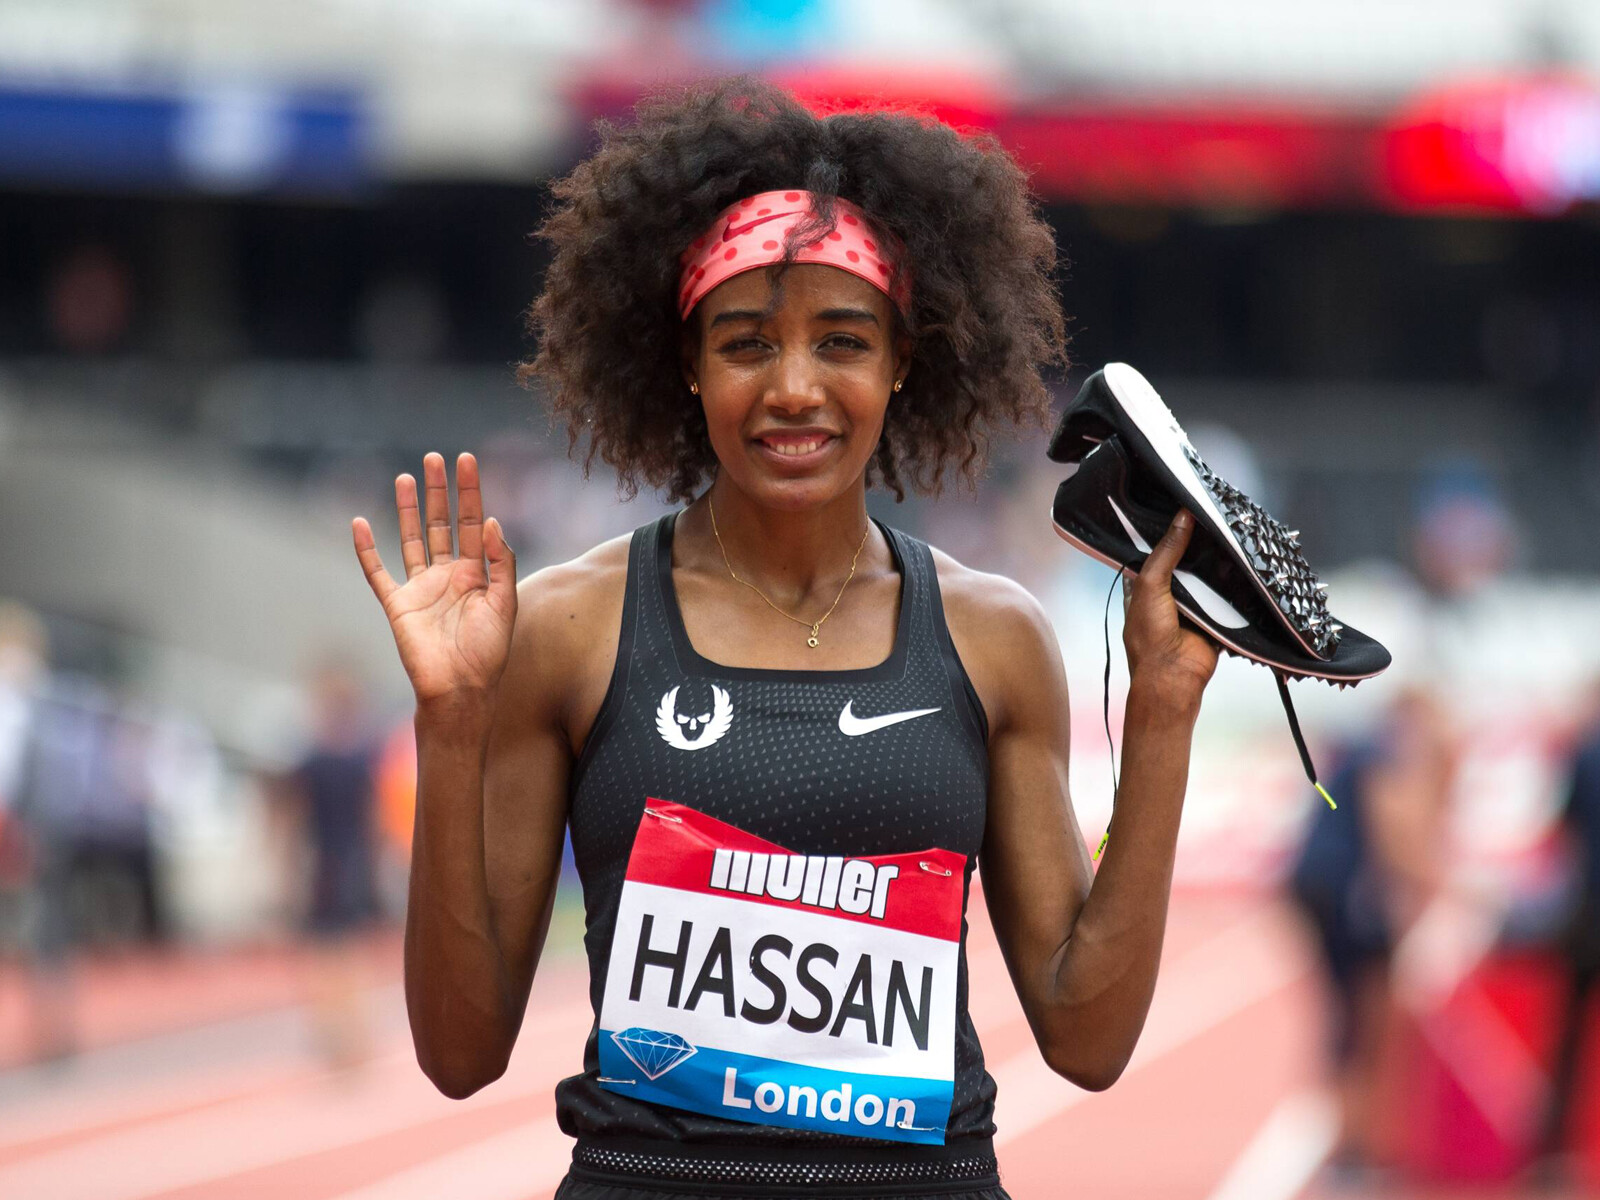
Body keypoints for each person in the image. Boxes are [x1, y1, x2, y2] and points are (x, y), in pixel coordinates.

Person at [352, 79, 1219, 1197]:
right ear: (688, 365)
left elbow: (1086, 1038)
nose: (795, 389)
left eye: (842, 342)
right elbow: (460, 1055)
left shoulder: (992, 637)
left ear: (902, 361)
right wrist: (450, 723)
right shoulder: (571, 629)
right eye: (747, 344)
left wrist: (1162, 714)